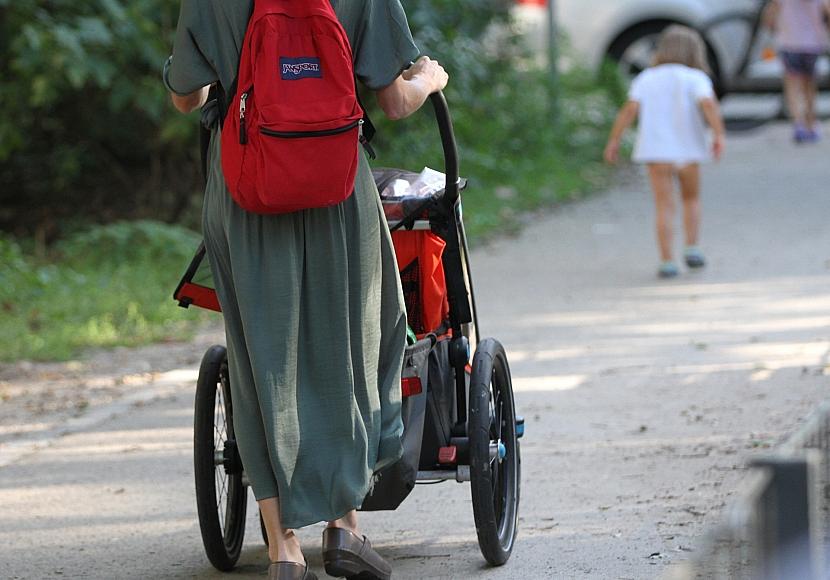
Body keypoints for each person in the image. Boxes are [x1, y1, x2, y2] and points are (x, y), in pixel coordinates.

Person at [163, 2, 448, 579]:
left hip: (245, 188)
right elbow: (394, 101)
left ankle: (282, 550)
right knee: (361, 337)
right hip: (335, 186)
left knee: (259, 360)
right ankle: (345, 528)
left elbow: (185, 97)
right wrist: (429, 77)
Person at [604, 25, 725, 279]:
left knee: (664, 205)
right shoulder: (695, 78)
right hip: (688, 149)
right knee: (691, 199)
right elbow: (709, 105)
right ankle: (692, 247)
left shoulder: (646, 78)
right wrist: (718, 135)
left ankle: (667, 260)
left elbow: (629, 110)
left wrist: (614, 140)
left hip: (656, 151)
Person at [763, 0, 830, 142]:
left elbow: (770, 15)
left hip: (789, 42)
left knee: (792, 86)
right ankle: (811, 122)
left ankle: (798, 123)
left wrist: (772, 28)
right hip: (813, 44)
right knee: (809, 86)